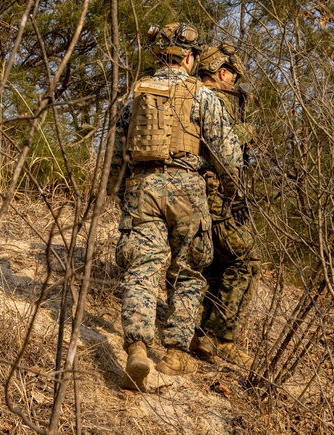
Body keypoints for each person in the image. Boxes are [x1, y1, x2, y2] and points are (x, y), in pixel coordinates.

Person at [108, 23, 243, 391]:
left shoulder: (133, 95)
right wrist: (231, 190)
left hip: (142, 186)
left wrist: (119, 191)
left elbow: (116, 152)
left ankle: (136, 344)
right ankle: (174, 353)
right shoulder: (203, 96)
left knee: (143, 266)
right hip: (187, 188)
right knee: (189, 270)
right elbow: (227, 156)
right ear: (188, 57)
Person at [190, 43, 260, 367]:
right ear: (221, 73)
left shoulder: (187, 97)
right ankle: (221, 337)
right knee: (247, 259)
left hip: (194, 198)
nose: (234, 82)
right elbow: (224, 152)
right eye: (232, 75)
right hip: (217, 198)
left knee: (217, 265)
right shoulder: (214, 102)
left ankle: (201, 335)